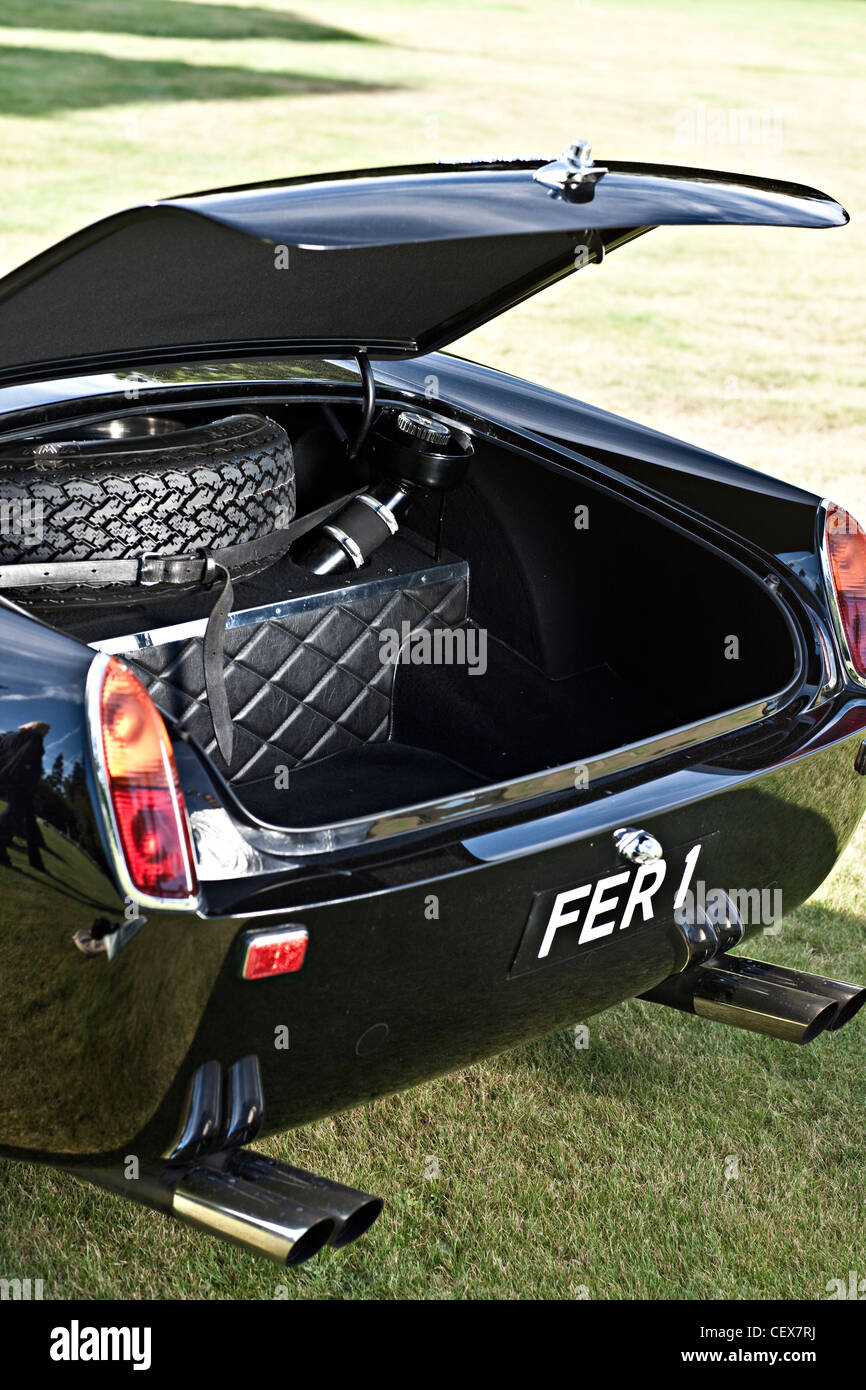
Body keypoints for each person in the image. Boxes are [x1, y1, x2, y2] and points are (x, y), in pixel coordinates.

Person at [0, 720, 49, 871]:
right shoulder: (34, 740)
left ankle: (35, 861)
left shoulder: (10, 737)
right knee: (12, 816)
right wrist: (28, 787)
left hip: (5, 777)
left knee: (20, 817)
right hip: (20, 785)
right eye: (45, 731)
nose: (46, 734)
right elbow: (29, 765)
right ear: (39, 730)